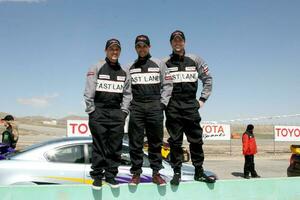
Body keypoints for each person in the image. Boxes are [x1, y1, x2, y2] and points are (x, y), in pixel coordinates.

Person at [164, 30, 215, 185]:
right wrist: (163, 102)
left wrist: (202, 99)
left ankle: (199, 171)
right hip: (173, 107)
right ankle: (177, 173)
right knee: (175, 142)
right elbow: (157, 83)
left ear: (184, 42)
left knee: (196, 140)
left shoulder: (195, 59)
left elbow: (208, 79)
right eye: (174, 40)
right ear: (171, 43)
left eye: (180, 40)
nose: (177, 43)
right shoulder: (164, 62)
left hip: (190, 105)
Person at [121, 35, 173, 186]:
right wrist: (129, 104)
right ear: (135, 48)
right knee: (135, 142)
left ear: (149, 47)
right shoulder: (130, 66)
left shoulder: (159, 64)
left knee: (155, 142)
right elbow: (126, 88)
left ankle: (156, 173)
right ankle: (136, 174)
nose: (142, 48)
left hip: (154, 106)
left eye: (144, 46)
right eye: (138, 46)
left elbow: (168, 84)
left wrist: (162, 104)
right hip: (136, 107)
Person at [84, 38, 127, 190]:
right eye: (111, 49)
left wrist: (124, 112)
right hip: (99, 111)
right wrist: (91, 110)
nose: (114, 52)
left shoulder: (124, 71)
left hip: (117, 112)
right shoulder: (96, 66)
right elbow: (89, 90)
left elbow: (128, 93)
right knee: (100, 146)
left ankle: (111, 176)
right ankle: (97, 176)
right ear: (106, 51)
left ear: (119, 51)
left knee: (115, 147)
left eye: (117, 49)